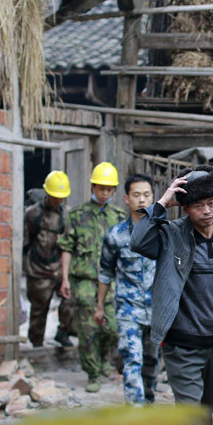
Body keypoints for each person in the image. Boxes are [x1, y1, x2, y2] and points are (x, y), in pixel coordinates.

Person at [130, 165, 213, 411]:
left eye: (211, 203)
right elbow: (138, 242)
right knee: (190, 414)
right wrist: (162, 203)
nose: (207, 211)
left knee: (205, 412)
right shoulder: (170, 235)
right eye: (198, 206)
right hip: (182, 346)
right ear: (184, 208)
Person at [57, 162, 126, 393]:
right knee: (88, 330)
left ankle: (105, 356)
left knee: (112, 328)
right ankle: (93, 374)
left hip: (111, 282)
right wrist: (65, 279)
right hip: (85, 281)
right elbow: (67, 248)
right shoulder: (77, 215)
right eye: (101, 188)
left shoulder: (118, 216)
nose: (105, 193)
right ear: (93, 187)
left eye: (109, 189)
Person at [96, 173, 160, 405]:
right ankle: (135, 411)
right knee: (132, 359)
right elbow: (106, 272)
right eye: (136, 195)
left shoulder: (163, 233)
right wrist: (100, 306)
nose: (142, 200)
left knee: (152, 362)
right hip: (128, 309)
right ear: (126, 198)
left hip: (156, 309)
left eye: (146, 195)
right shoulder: (115, 235)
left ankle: (148, 406)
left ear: (153, 197)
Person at [23, 171, 73, 347]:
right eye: (55, 197)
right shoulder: (32, 214)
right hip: (38, 270)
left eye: (61, 197)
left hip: (59, 269)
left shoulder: (67, 215)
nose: (58, 200)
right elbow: (25, 242)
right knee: (39, 310)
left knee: (71, 300)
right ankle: (36, 345)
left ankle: (63, 332)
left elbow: (71, 244)